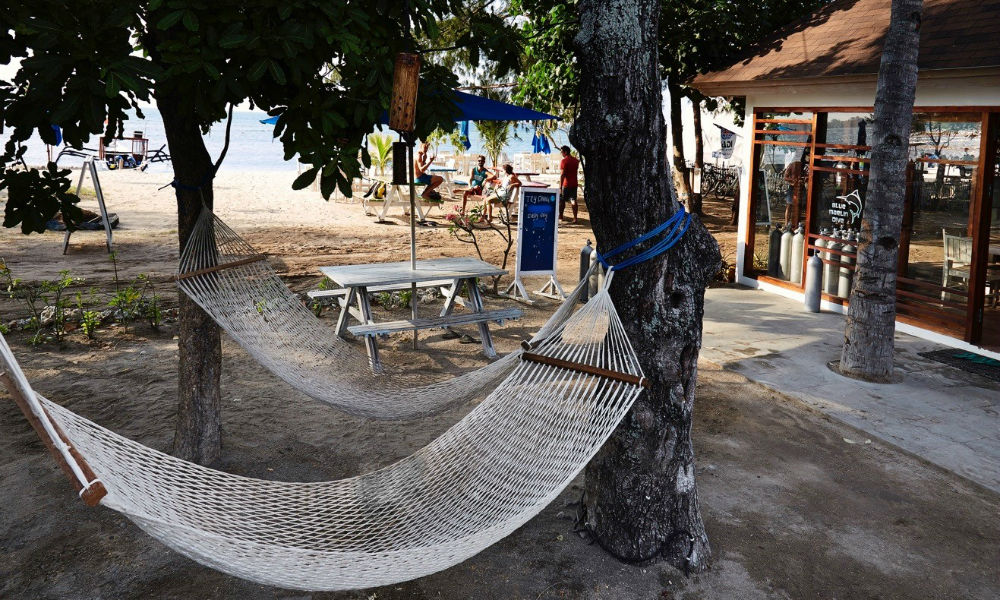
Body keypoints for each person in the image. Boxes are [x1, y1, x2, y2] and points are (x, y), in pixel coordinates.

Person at [783, 149, 808, 227]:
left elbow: (807, 176)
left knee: (799, 206)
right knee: (789, 206)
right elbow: (785, 177)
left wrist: (804, 179)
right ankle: (786, 224)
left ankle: (796, 224)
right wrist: (793, 180)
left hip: (801, 187)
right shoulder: (792, 165)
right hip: (793, 187)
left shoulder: (804, 166)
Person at [559, 145, 580, 223]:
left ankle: (561, 216)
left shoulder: (564, 161)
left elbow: (562, 175)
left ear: (565, 152)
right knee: (573, 200)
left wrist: (560, 187)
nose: (561, 154)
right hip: (574, 183)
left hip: (566, 184)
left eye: (562, 152)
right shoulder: (576, 161)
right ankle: (575, 218)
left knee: (562, 200)